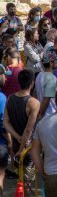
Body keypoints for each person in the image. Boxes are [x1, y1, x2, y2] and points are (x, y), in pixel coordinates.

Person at [4, 70, 39, 158]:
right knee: (27, 170)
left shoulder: (10, 98)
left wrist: (18, 137)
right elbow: (28, 130)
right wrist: (21, 150)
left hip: (15, 143)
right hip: (27, 147)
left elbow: (5, 122)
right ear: (32, 83)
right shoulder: (34, 103)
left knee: (16, 170)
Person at [35, 49, 57, 116]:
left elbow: (35, 93)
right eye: (56, 61)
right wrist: (41, 114)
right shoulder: (51, 78)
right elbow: (46, 99)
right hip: (49, 114)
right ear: (51, 63)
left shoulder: (39, 75)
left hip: (41, 111)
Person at [0, 65, 8, 195]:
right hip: (0, 143)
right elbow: (2, 123)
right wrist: (9, 140)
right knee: (1, 173)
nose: (6, 78)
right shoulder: (2, 97)